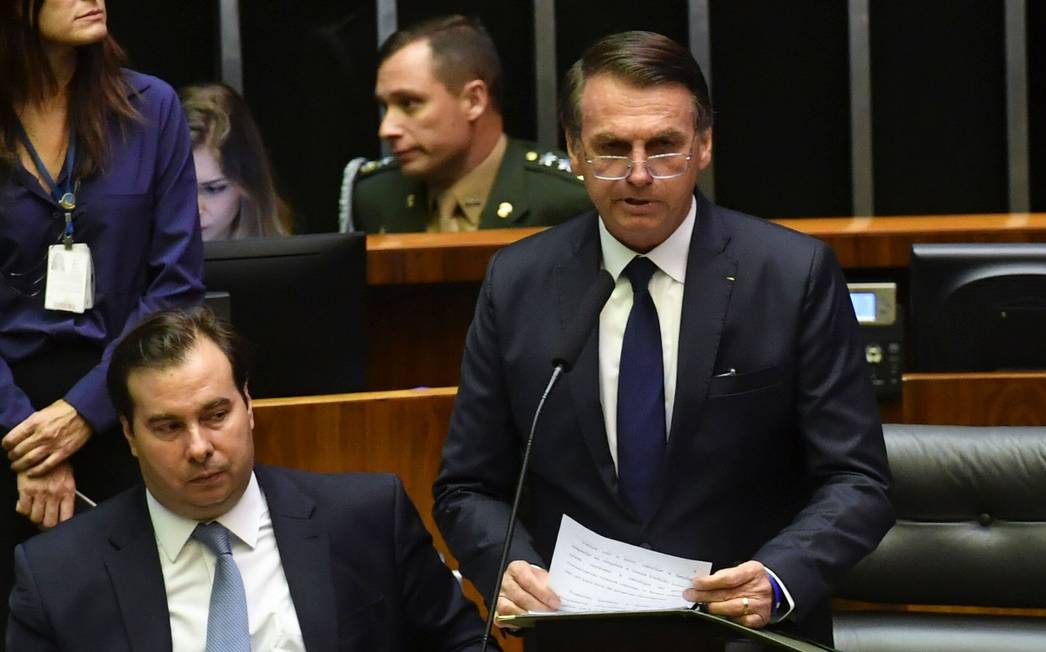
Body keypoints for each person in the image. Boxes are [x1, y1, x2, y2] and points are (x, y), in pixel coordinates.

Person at [433, 31, 894, 646]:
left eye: (665, 147)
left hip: (744, 637)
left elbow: (858, 479)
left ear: (704, 146)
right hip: (578, 636)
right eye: (612, 149)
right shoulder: (519, 282)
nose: (639, 175)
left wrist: (779, 579)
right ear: (573, 150)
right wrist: (508, 568)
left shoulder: (789, 275)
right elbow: (469, 485)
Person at [7, 307, 490, 651]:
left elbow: (464, 642)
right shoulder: (57, 575)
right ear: (130, 435)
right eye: (168, 426)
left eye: (216, 414)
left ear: (249, 406)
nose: (199, 447)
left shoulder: (367, 518)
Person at [0, 0, 203, 636]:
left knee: (139, 623)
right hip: (6, 415)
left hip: (126, 398)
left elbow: (176, 285)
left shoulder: (151, 107)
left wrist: (81, 413)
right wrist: (29, 441)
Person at [344, 14, 593, 234]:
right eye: (385, 107)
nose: (386, 129)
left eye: (409, 103)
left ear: (474, 101)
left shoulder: (567, 199)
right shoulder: (374, 196)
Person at [181, 82, 292, 240]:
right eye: (178, 188)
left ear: (249, 184)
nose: (194, 210)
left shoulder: (286, 262)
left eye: (213, 189)